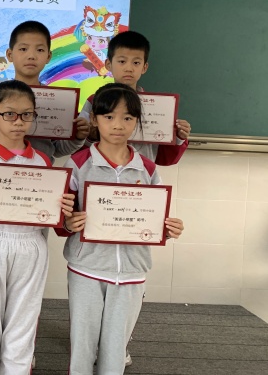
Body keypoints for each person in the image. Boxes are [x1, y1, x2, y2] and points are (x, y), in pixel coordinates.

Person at [60, 83, 184, 375]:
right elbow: (63, 217)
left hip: (131, 272)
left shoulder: (148, 168)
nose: (118, 125)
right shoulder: (77, 163)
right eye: (109, 117)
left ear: (137, 122)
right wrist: (67, 223)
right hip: (86, 268)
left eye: (127, 118)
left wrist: (167, 229)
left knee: (116, 348)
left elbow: (153, 219)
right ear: (94, 119)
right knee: (82, 345)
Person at [0, 80, 75, 373]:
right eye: (9, 114)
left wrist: (65, 213)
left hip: (31, 245)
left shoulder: (43, 161)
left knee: (23, 323)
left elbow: (56, 218)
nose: (18, 121)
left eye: (26, 114)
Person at [0, 21, 90, 161]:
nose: (31, 56)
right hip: (0, 169)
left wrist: (77, 137)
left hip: (41, 171)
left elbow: (58, 150)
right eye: (23, 49)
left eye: (39, 50)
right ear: (9, 54)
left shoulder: (57, 99)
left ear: (48, 56)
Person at [78, 30, 191, 165]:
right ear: (108, 64)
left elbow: (165, 159)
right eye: (122, 61)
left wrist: (178, 136)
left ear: (144, 67)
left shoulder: (157, 106)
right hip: (99, 172)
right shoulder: (93, 102)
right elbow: (77, 150)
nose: (129, 68)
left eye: (136, 63)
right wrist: (89, 137)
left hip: (141, 173)